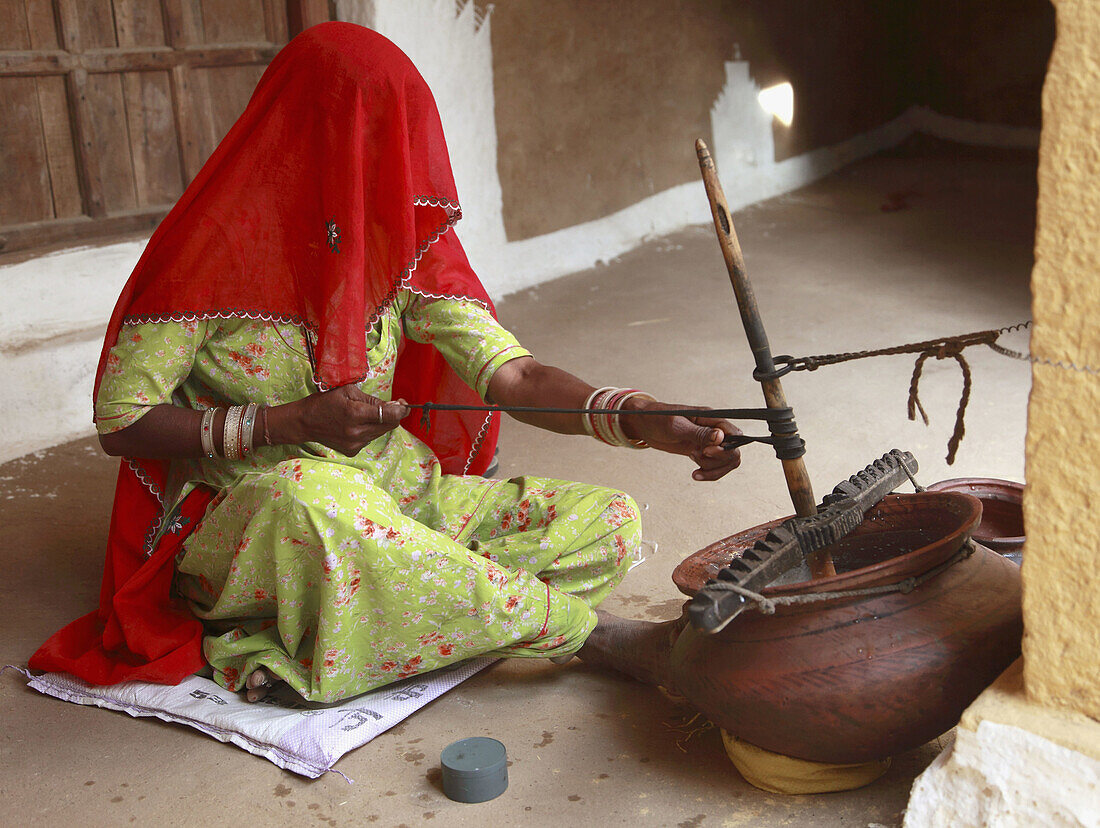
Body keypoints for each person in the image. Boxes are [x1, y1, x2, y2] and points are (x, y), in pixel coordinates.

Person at [30, 22, 740, 704]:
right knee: (312, 494)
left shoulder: (398, 243)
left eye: (394, 142)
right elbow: (122, 423)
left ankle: (378, 610)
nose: (385, 163)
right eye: (366, 139)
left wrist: (641, 419)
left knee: (608, 521)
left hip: (399, 500)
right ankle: (590, 636)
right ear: (303, 133)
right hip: (265, 520)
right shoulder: (208, 254)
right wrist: (288, 422)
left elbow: (514, 375)